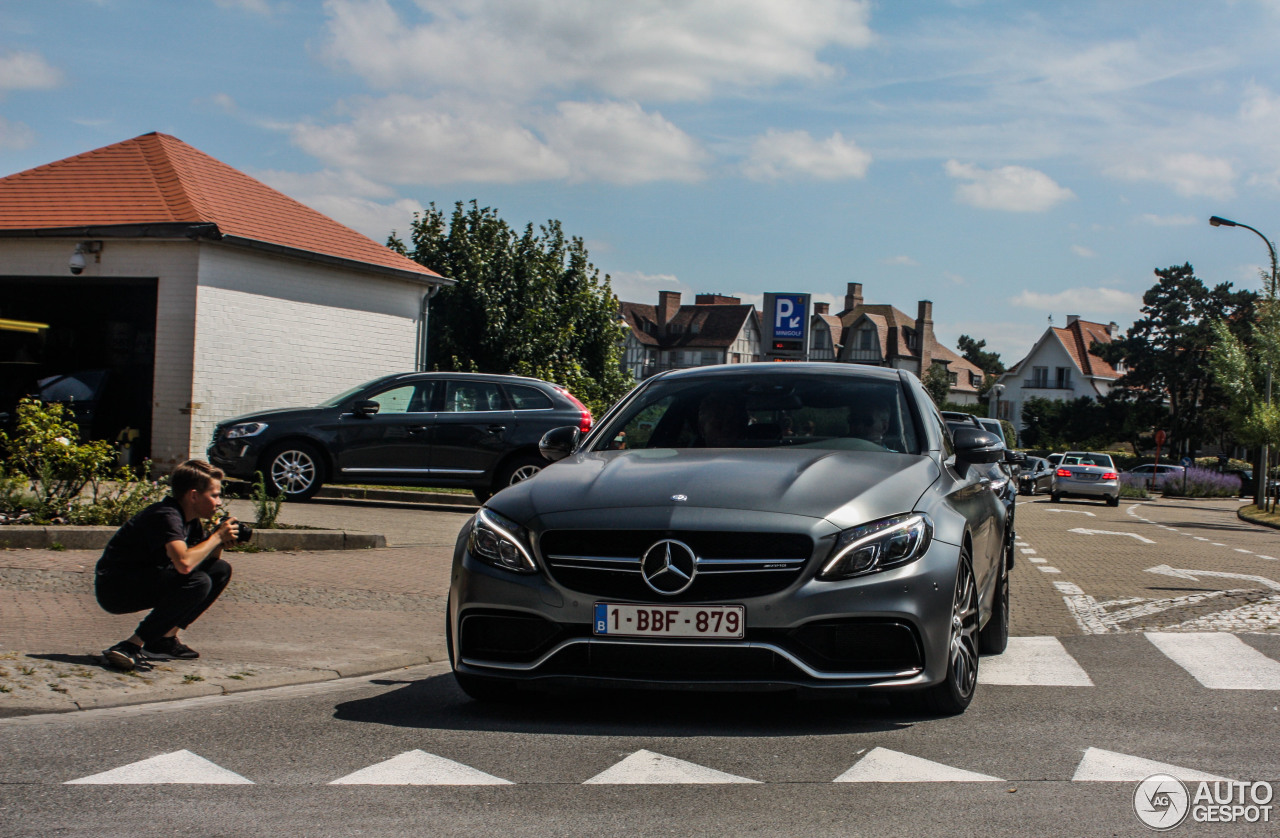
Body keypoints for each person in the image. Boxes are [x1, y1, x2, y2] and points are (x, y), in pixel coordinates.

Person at [96, 459, 241, 670]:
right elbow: (184, 564)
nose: (219, 503)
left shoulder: (190, 520)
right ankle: (130, 646)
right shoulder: (166, 515)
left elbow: (205, 562)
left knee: (219, 571)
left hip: (146, 577)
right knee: (198, 581)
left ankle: (163, 640)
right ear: (193, 495)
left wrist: (218, 542)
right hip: (116, 588)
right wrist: (216, 537)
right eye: (215, 495)